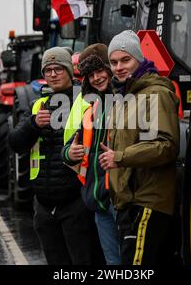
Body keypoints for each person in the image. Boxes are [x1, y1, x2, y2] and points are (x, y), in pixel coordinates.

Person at [8, 47, 104, 265]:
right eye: (48, 70)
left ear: (70, 71)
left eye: (58, 69)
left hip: (76, 201)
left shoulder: (87, 102)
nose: (52, 74)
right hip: (44, 205)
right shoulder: (37, 106)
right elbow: (15, 143)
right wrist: (33, 125)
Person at [99, 30, 180, 265]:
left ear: (140, 59)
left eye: (126, 60)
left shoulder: (155, 94)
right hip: (129, 204)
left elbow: (166, 146)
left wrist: (121, 157)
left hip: (148, 202)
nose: (119, 67)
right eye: (113, 62)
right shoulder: (124, 98)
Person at [62, 44, 121, 265]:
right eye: (90, 74)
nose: (96, 78)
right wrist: (70, 152)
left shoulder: (126, 101)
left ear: (109, 68)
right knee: (113, 263)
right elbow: (69, 147)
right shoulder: (90, 107)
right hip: (98, 201)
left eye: (100, 71)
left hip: (119, 198)